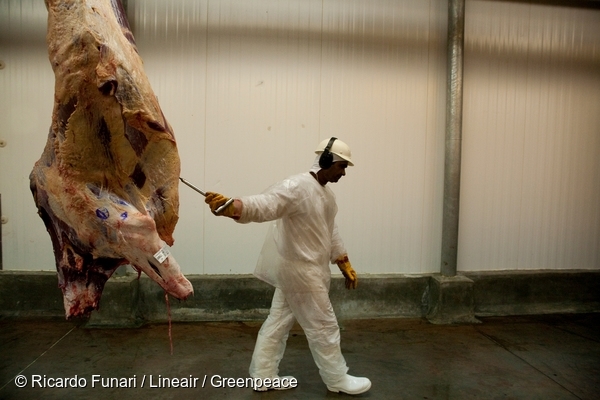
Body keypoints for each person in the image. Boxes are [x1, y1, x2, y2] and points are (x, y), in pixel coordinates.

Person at [204, 137, 371, 395]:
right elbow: (266, 204)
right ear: (328, 161)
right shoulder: (296, 187)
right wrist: (234, 207)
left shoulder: (326, 195)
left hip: (301, 272)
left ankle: (263, 375)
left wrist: (343, 260)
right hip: (302, 273)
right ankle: (337, 379)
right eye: (342, 166)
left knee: (277, 324)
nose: (344, 172)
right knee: (324, 326)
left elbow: (330, 229)